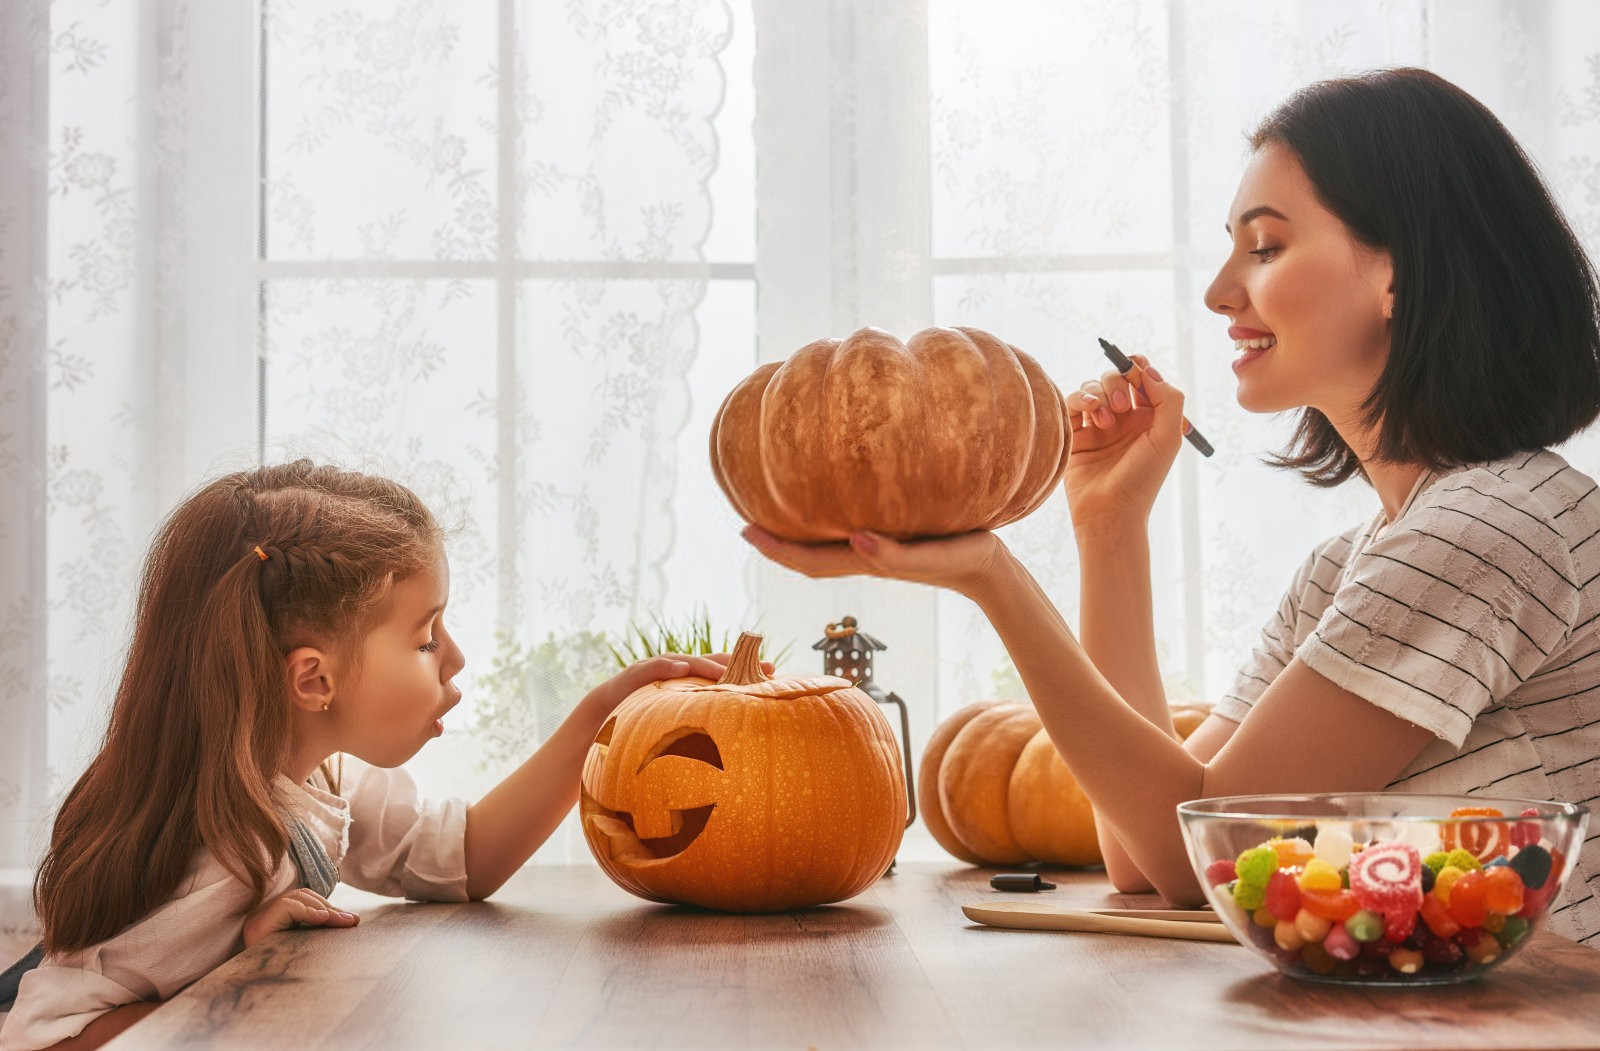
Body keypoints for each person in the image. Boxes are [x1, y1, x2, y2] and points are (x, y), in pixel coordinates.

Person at [743, 68, 1600, 945]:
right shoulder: (1352, 564)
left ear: (1399, 273)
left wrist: (992, 576)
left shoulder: (1485, 533)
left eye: (1265, 249)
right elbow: (1147, 852)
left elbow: (1201, 856)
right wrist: (1110, 528)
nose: (1220, 291)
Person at [0, 460, 743, 1050]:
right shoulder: (214, 853)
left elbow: (466, 858)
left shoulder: (328, 774)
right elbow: (47, 1036)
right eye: (425, 639)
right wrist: (230, 976)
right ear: (314, 679)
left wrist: (595, 717)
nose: (454, 658)